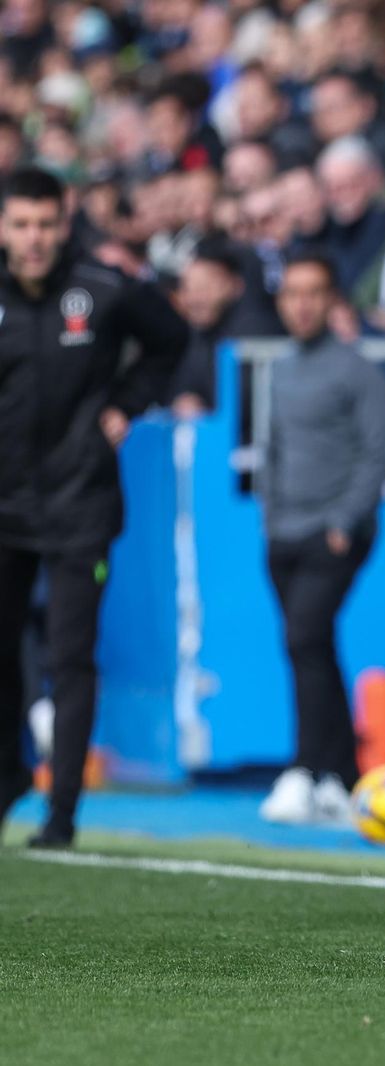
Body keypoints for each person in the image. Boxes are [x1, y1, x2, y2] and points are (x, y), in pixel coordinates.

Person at [0, 167, 188, 847]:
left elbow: (172, 338)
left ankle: (62, 813)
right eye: (20, 224)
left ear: (65, 219)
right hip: (5, 504)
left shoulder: (103, 288)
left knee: (70, 656)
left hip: (81, 502)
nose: (33, 239)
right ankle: (9, 775)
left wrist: (126, 404)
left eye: (45, 224)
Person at [257, 252, 385, 825]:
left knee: (305, 636)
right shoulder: (281, 369)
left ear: (333, 299)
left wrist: (343, 522)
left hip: (335, 533)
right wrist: (271, 517)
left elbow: (377, 453)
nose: (302, 304)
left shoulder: (355, 369)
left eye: (313, 292)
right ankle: (342, 775)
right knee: (308, 647)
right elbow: (274, 450)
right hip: (284, 532)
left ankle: (306, 769)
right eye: (292, 293)